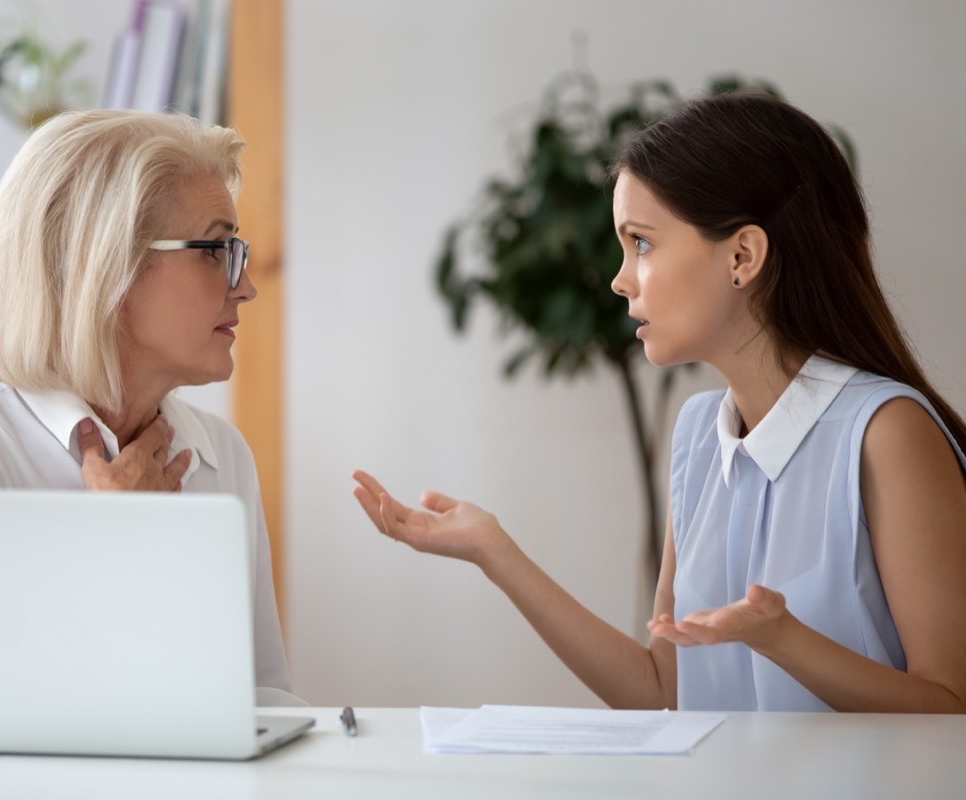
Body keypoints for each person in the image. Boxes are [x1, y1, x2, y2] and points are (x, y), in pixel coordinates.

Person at [353, 93, 966, 713]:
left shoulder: (887, 433)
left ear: (742, 256)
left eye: (641, 243)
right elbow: (662, 691)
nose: (620, 278)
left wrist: (784, 641)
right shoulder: (699, 434)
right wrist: (494, 551)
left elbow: (950, 708)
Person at [0, 110, 299, 702]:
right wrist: (111, 540)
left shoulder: (221, 457)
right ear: (107, 268)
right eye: (214, 249)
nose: (246, 285)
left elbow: (264, 703)